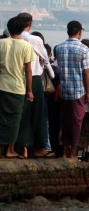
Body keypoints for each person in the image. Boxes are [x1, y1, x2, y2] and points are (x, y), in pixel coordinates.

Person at [16, 13, 55, 158]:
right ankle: (40, 148)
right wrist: (52, 75)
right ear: (30, 24)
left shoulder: (13, 38)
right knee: (38, 114)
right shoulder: (35, 39)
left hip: (19, 79)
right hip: (35, 78)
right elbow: (45, 58)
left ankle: (23, 148)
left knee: (23, 114)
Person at [55, 21, 89, 159]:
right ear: (79, 32)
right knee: (77, 122)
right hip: (79, 91)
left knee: (65, 121)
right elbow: (86, 73)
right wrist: (88, 92)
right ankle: (73, 151)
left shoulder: (59, 48)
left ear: (67, 31)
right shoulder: (84, 49)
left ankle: (65, 149)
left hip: (64, 89)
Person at [0, 17, 35, 158]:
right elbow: (28, 70)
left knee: (1, 117)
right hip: (17, 88)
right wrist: (30, 91)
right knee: (15, 119)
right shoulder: (26, 46)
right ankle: (9, 149)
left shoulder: (1, 43)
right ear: (22, 29)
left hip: (2, 85)